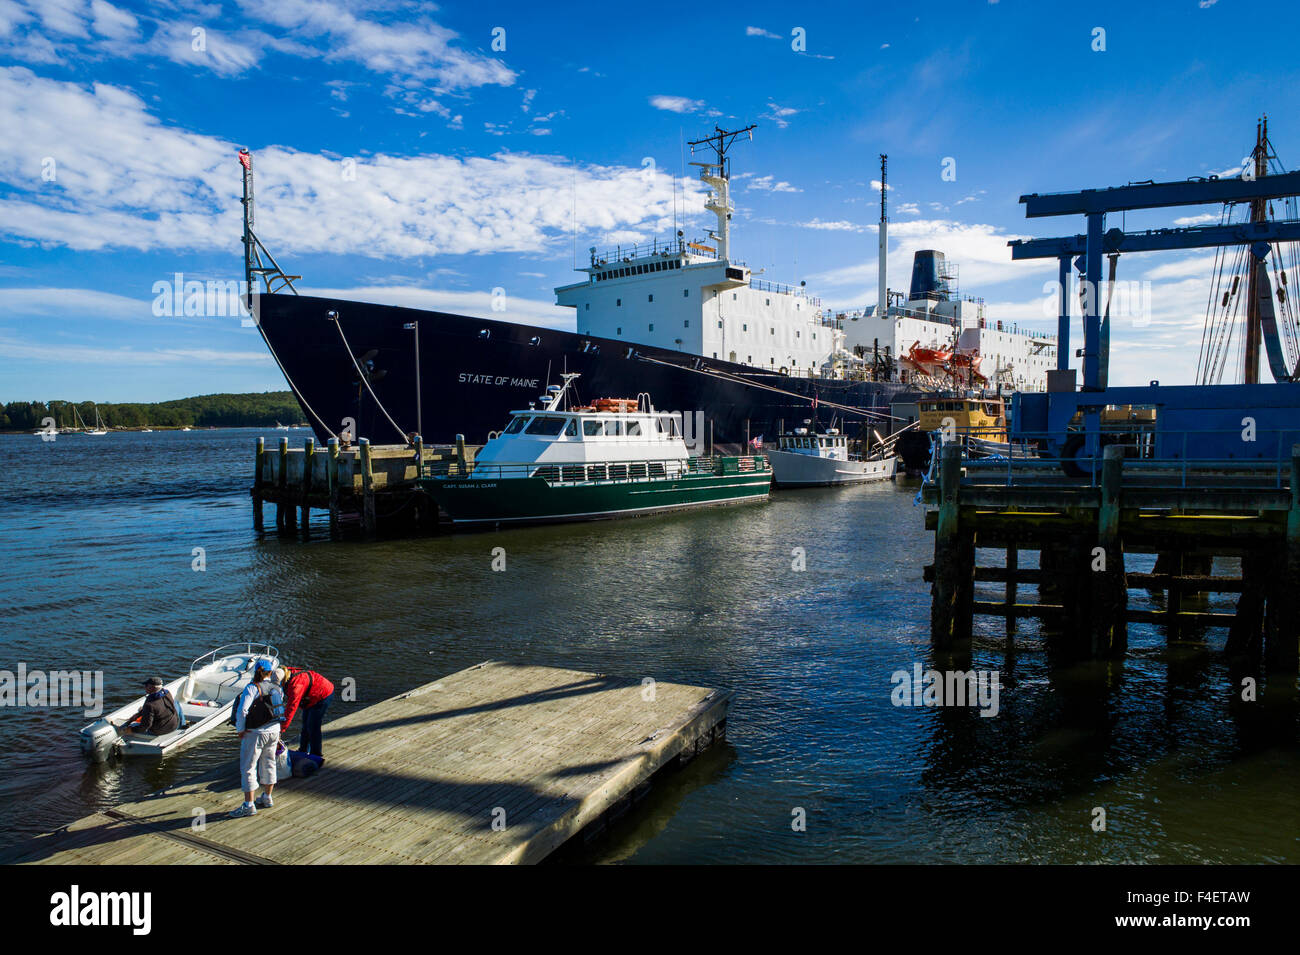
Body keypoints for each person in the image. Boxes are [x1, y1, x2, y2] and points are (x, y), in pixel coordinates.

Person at [230, 660, 284, 818]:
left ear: (255, 671)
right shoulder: (277, 688)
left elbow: (242, 711)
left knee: (248, 767)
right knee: (269, 762)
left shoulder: (252, 688)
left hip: (255, 732)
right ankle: (267, 797)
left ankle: (248, 805)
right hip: (274, 730)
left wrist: (240, 730)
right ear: (270, 673)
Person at [276, 664, 335, 758]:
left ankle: (316, 754)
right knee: (305, 724)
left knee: (312, 726)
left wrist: (282, 728)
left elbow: (291, 709)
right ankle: (303, 750)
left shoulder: (296, 687)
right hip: (310, 697)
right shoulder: (286, 672)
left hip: (323, 695)